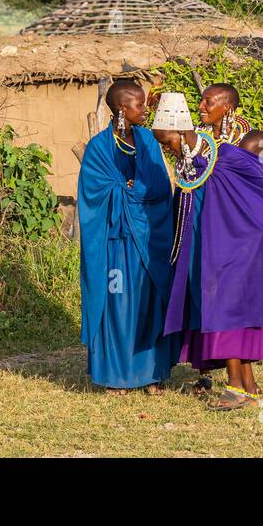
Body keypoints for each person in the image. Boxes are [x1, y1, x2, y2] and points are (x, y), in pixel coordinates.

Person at [164, 84, 263, 411]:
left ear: (227, 107)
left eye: (208, 101)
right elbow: (190, 178)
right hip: (207, 231)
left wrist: (194, 149)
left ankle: (235, 387)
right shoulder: (202, 139)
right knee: (219, 299)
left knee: (230, 302)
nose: (201, 105)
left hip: (243, 231)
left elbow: (258, 183)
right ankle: (249, 384)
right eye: (201, 100)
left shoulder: (254, 139)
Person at [76, 79, 178, 394]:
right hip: (116, 243)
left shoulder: (148, 140)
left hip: (148, 241)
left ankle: (152, 374)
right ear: (122, 108)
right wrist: (125, 190)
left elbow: (162, 187)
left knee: (149, 303)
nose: (146, 110)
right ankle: (116, 377)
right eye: (139, 105)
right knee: (117, 304)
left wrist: (135, 190)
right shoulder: (99, 148)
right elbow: (92, 195)